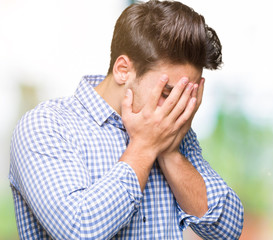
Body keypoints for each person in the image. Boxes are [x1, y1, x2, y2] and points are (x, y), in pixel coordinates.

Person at [9, 1, 244, 239]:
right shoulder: (46, 126)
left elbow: (228, 229)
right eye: (167, 93)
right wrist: (145, 147)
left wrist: (170, 154)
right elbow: (79, 230)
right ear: (123, 70)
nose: (178, 108)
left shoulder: (171, 131)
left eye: (186, 96)